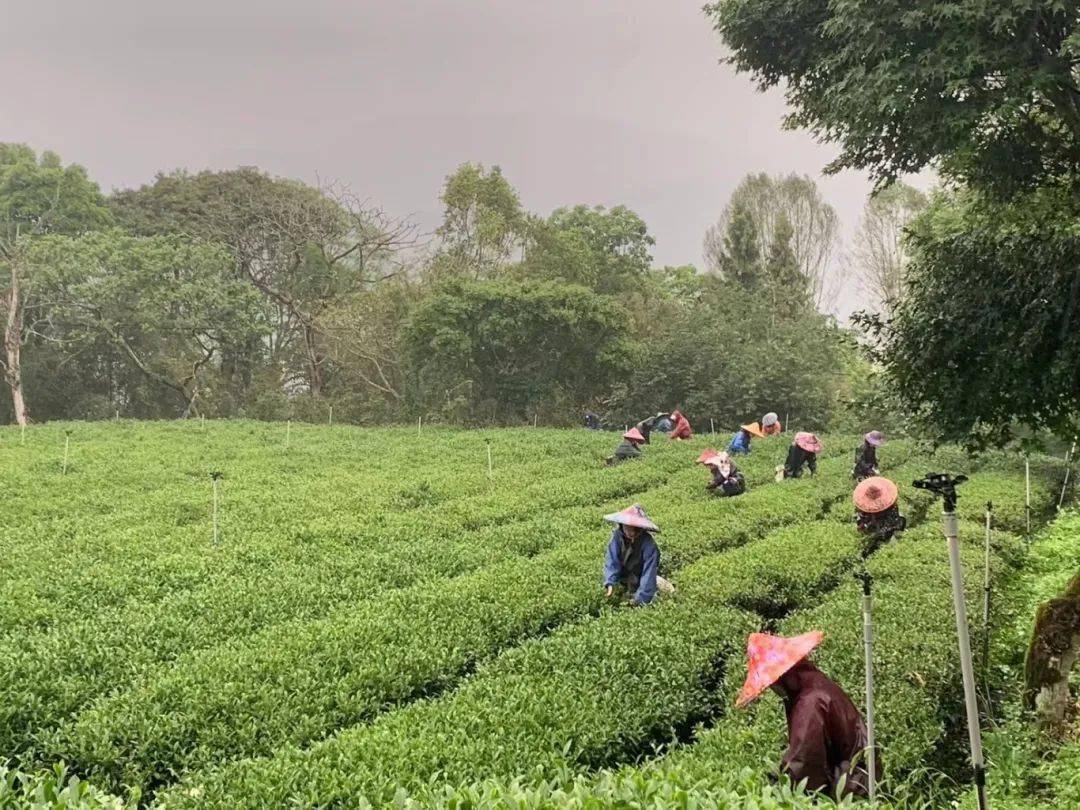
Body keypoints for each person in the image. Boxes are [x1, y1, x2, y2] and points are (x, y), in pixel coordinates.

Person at [736, 631, 880, 800]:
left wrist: (776, 792)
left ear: (784, 677)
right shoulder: (814, 682)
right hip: (858, 776)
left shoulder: (809, 702)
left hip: (852, 786)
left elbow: (806, 765)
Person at [601, 504, 674, 606]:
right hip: (624, 575)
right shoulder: (617, 537)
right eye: (628, 528)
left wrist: (640, 599)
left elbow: (649, 572)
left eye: (635, 529)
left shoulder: (649, 544)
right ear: (622, 525)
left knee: (655, 595)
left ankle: (655, 587)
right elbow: (612, 560)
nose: (631, 533)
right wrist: (610, 582)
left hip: (640, 576)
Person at [853, 476, 907, 554]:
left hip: (886, 530)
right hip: (883, 530)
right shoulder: (890, 505)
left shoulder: (889, 507)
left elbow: (892, 523)